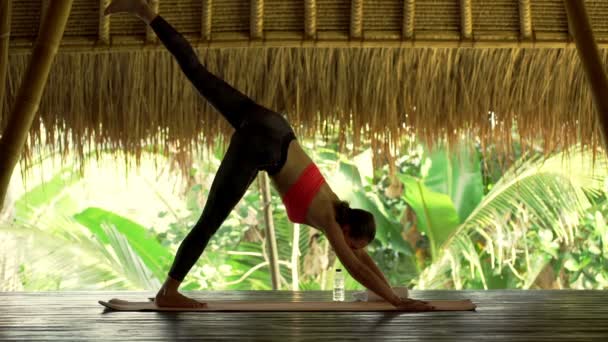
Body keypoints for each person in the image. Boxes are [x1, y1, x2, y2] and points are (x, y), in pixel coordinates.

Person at [104, 0, 433, 311]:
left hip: (276, 125)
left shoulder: (335, 204)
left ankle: (146, 12)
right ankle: (168, 292)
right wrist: (396, 301)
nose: (351, 249)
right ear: (347, 233)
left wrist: (389, 292)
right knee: (209, 221)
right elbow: (355, 266)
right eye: (353, 243)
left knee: (198, 73)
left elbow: (363, 260)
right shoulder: (332, 224)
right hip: (264, 146)